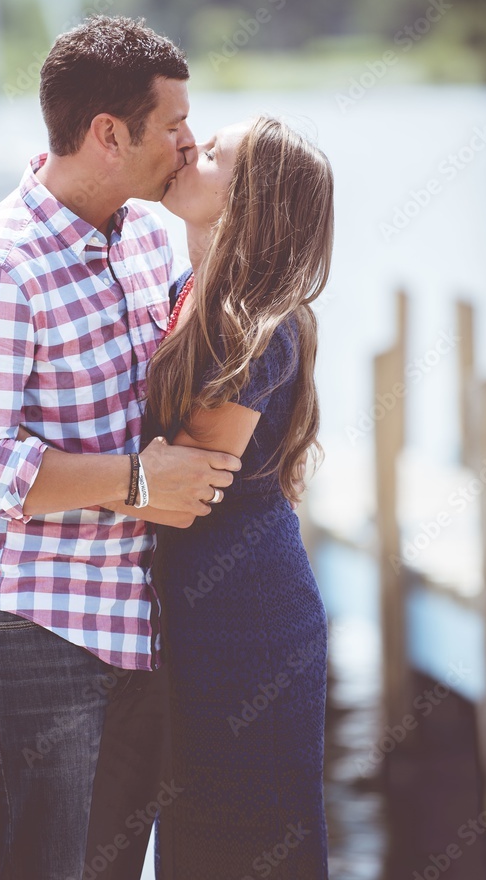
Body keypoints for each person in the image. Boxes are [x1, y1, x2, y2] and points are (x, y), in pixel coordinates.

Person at [0, 15, 241, 880]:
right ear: (109, 133)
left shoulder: (140, 238)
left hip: (134, 635)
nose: (187, 139)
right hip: (32, 638)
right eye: (173, 122)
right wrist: (139, 482)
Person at [144, 115, 335, 879]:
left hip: (246, 625)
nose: (191, 148)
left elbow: (181, 490)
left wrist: (25, 480)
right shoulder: (188, 290)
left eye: (215, 154)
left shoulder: (254, 325)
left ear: (249, 201)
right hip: (197, 611)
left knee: (246, 846)